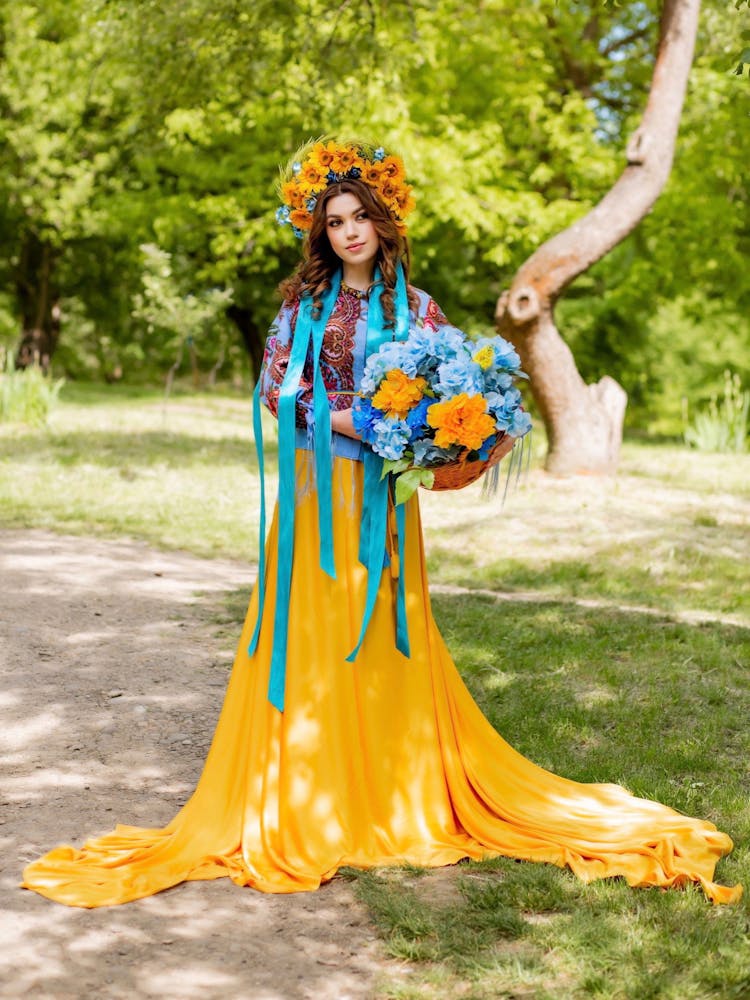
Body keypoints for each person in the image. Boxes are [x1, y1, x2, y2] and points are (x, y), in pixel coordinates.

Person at [21, 139, 741, 907]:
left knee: (381, 634)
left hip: (384, 505)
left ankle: (391, 787)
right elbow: (274, 390)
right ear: (320, 232)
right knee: (312, 633)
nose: (350, 230)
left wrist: (459, 432)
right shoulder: (303, 305)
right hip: (315, 494)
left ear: (383, 221)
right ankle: (312, 787)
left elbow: (445, 395)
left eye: (360, 215)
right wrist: (351, 418)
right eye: (335, 220)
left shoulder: (419, 308)